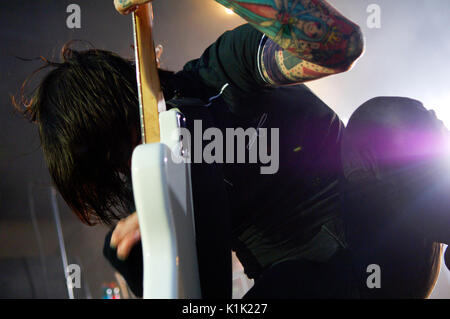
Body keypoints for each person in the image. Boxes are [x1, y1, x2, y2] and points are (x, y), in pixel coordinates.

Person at [13, 0, 448, 298]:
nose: (128, 164)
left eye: (122, 142)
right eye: (116, 164)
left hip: (387, 235)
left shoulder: (222, 70)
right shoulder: (154, 182)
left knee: (382, 123)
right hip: (317, 286)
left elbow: (337, 46)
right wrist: (143, 262)